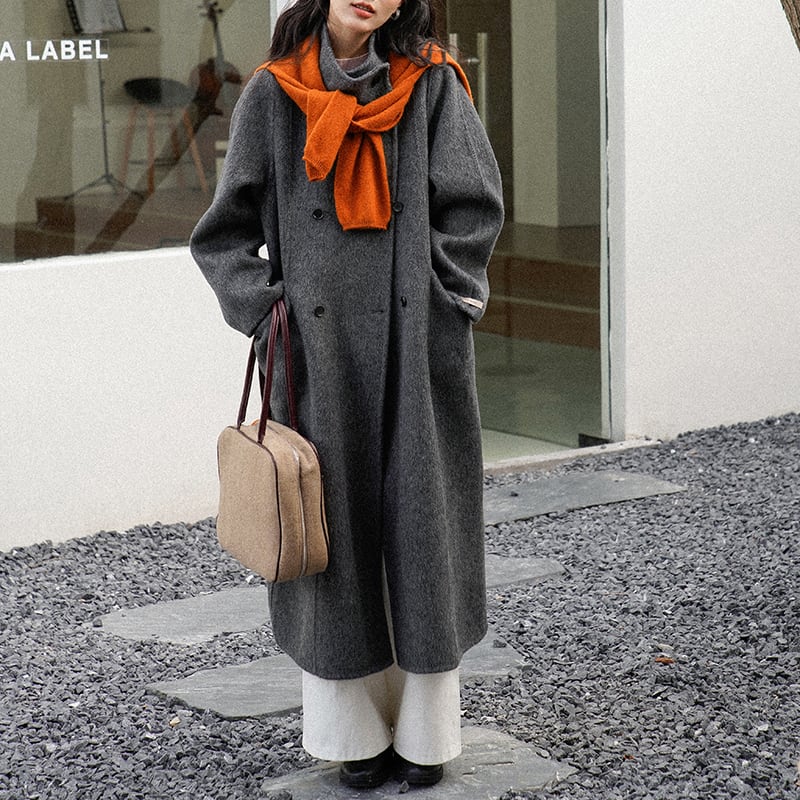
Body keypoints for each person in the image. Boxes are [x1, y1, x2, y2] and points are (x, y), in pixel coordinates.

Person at [190, 0, 503, 789]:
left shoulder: (431, 84)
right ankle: (350, 735)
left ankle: (426, 735)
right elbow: (222, 233)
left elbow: (473, 205)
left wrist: (447, 299)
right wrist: (268, 314)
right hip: (318, 357)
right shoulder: (274, 92)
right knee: (332, 541)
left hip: (416, 348)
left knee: (422, 536)